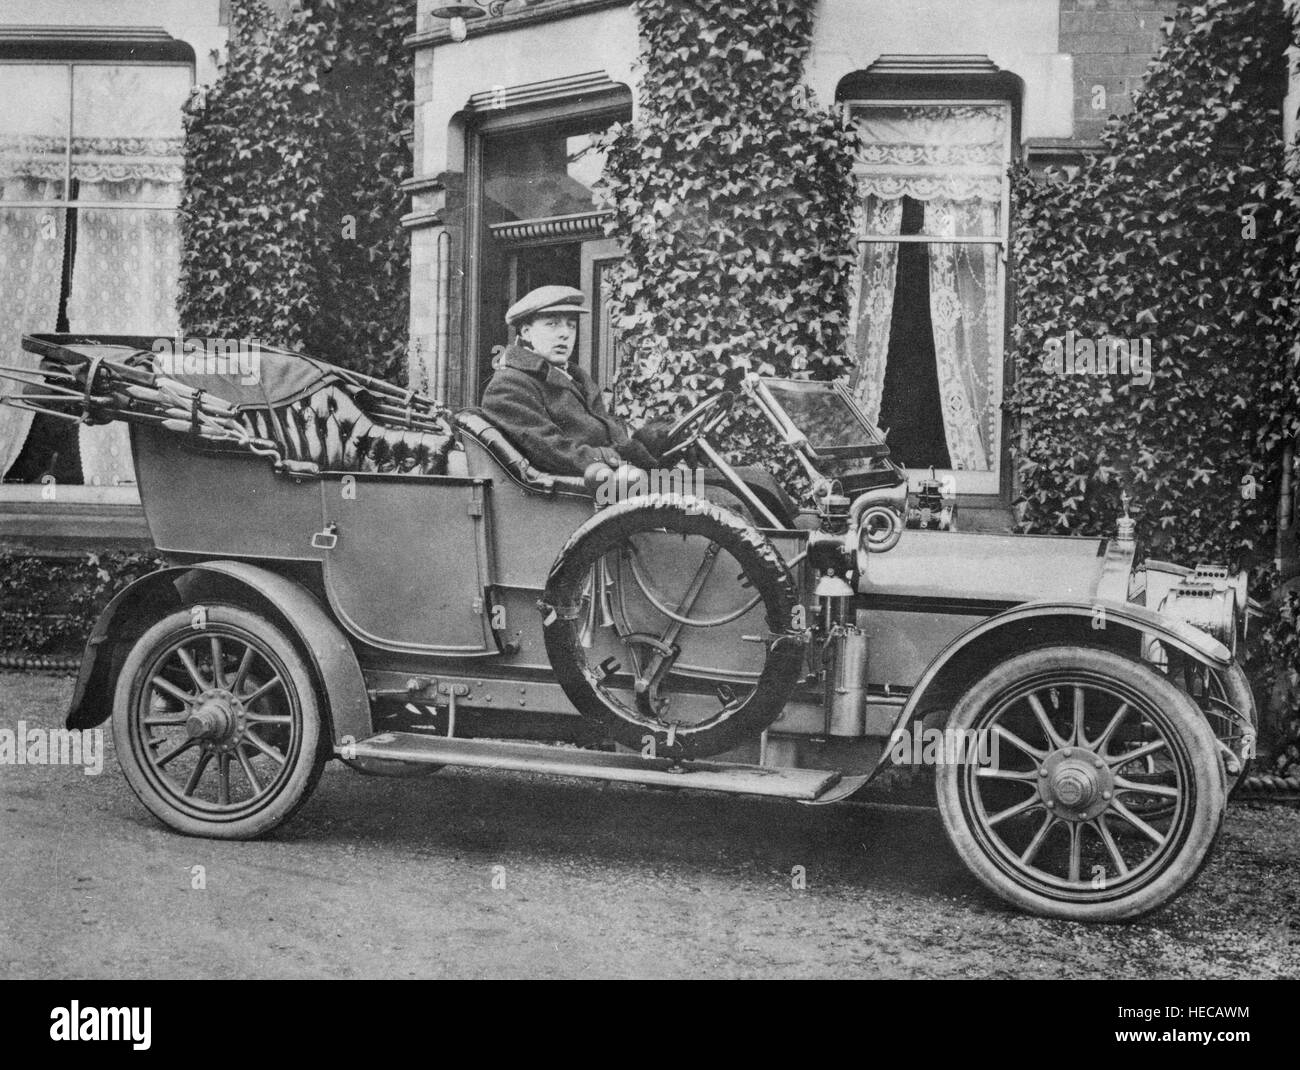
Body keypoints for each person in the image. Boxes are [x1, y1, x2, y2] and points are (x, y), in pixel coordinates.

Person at [480, 285, 669, 480]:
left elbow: (603, 432)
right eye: (552, 324)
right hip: (574, 497)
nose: (565, 333)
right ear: (527, 332)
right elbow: (555, 452)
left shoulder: (574, 376)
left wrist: (647, 439)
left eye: (571, 325)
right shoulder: (509, 385)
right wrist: (615, 457)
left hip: (610, 482)